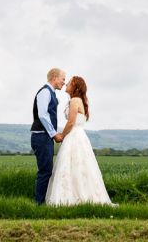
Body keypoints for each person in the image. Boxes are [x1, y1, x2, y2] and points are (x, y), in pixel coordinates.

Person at [45, 76, 115, 206]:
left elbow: (71, 122)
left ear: (75, 87)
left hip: (74, 136)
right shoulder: (76, 100)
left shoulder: (75, 100)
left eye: (69, 83)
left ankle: (71, 198)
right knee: (76, 166)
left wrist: (61, 136)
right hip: (78, 136)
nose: (66, 84)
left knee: (73, 165)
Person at [30, 67, 66, 205]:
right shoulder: (45, 92)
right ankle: (39, 204)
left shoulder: (51, 92)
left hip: (45, 137)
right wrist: (54, 134)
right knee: (45, 171)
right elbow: (43, 115)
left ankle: (41, 201)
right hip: (42, 136)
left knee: (46, 170)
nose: (64, 82)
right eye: (63, 79)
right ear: (55, 77)